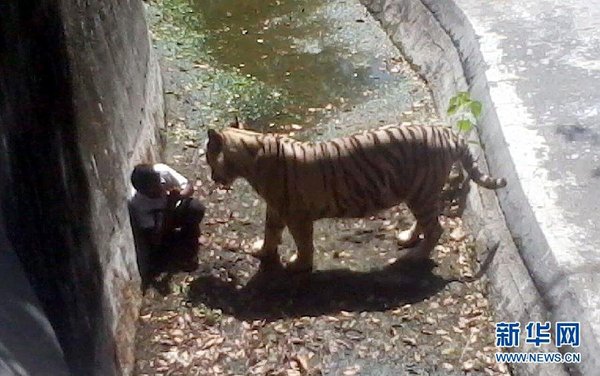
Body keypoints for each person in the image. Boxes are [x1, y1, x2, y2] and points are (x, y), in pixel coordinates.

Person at [128, 163, 205, 279]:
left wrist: (179, 196)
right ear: (143, 191)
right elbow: (155, 238)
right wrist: (169, 208)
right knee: (161, 250)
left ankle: (190, 239)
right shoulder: (139, 205)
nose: (160, 188)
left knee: (195, 207)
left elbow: (189, 186)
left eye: (158, 182)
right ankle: (179, 250)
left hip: (174, 210)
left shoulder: (162, 171)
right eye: (153, 189)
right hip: (161, 227)